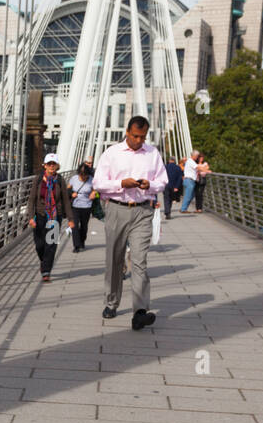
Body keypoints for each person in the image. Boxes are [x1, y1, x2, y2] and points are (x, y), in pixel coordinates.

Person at [92, 116, 168, 329]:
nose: (138, 140)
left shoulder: (153, 154)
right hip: (117, 209)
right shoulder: (112, 153)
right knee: (115, 259)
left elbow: (163, 182)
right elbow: (98, 183)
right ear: (127, 132)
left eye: (143, 137)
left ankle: (140, 311)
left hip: (143, 211)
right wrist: (120, 184)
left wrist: (149, 185)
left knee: (139, 261)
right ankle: (111, 302)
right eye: (135, 136)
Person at [26, 153, 71, 282]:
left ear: (57, 166)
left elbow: (66, 201)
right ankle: (44, 262)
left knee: (51, 245)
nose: (51, 166)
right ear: (45, 166)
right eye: (49, 164)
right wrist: (30, 217)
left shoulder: (60, 180)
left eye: (53, 164)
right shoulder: (38, 179)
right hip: (40, 215)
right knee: (39, 245)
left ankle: (46, 271)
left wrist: (71, 219)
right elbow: (31, 200)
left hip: (55, 216)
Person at [67, 161, 97, 252]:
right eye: (81, 175)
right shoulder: (73, 179)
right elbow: (67, 190)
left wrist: (93, 193)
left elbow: (96, 190)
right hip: (75, 206)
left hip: (86, 206)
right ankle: (76, 246)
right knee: (74, 226)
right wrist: (72, 193)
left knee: (84, 226)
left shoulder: (91, 180)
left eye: (85, 175)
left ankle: (82, 241)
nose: (83, 177)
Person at [162, 154, 183, 219]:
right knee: (170, 199)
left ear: (169, 160)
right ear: (174, 160)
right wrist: (177, 187)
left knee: (166, 199)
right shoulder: (178, 168)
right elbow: (180, 178)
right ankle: (168, 211)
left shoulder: (165, 167)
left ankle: (167, 212)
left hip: (166, 185)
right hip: (174, 186)